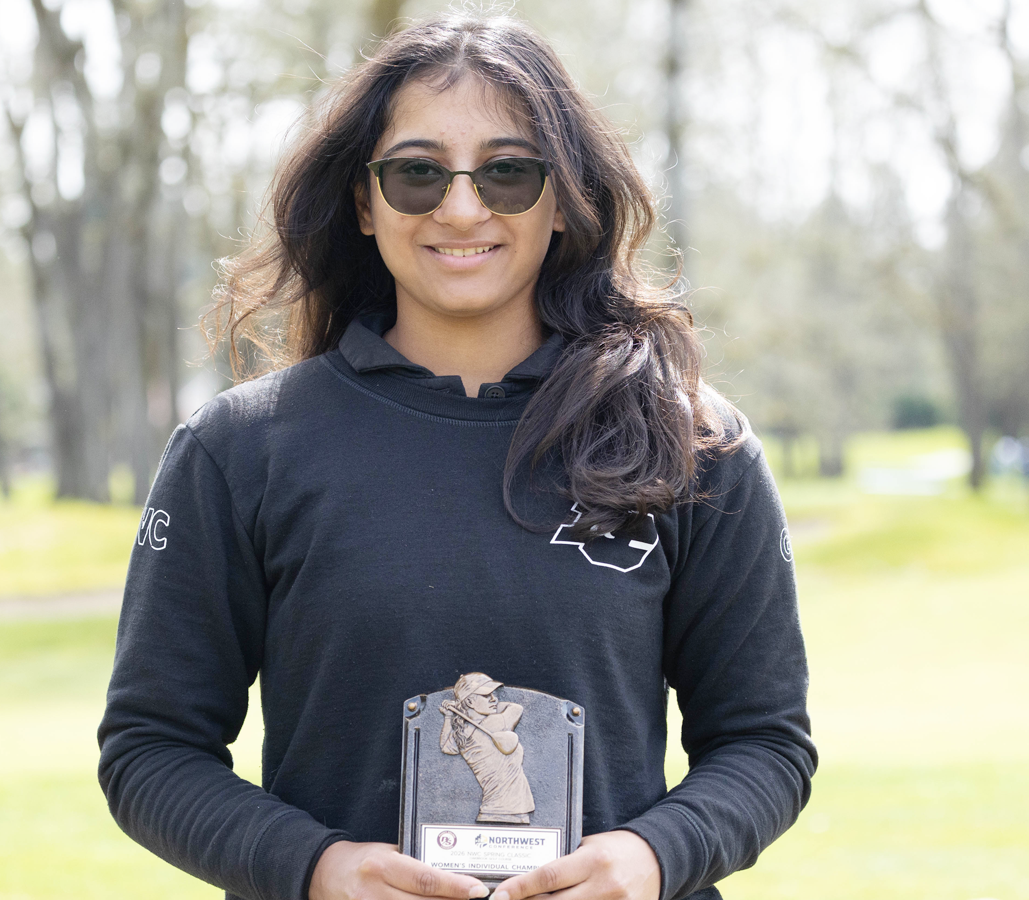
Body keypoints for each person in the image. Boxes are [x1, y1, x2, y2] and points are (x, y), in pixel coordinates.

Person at [97, 13, 814, 900]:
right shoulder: (240, 450)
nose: (462, 207)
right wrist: (315, 869)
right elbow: (150, 752)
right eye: (418, 173)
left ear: (564, 199)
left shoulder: (693, 445)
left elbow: (765, 743)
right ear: (366, 202)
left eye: (509, 173)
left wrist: (655, 856)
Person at [439, 673, 535, 824]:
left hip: (494, 809)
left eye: (494, 695)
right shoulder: (495, 722)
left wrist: (449, 716)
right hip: (511, 810)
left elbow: (446, 747)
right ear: (470, 701)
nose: (494, 699)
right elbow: (516, 707)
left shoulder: (461, 733)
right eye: (486, 695)